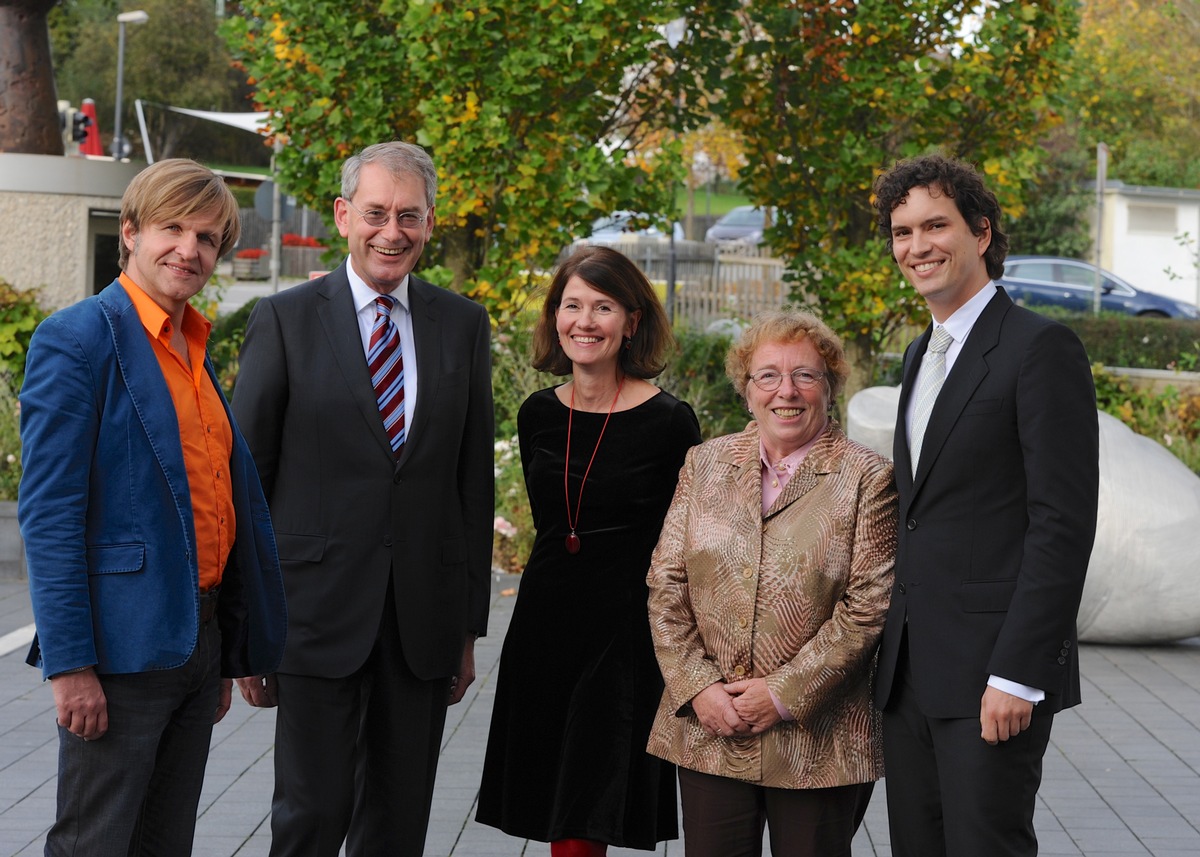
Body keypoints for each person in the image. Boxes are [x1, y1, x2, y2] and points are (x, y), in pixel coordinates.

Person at [18, 158, 288, 857]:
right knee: (95, 843)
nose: (189, 249)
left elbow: (214, 500)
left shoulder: (194, 347)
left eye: (207, 237)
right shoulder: (77, 339)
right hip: (117, 652)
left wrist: (223, 649)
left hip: (195, 642)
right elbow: (49, 516)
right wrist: (70, 665)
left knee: (164, 843)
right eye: (172, 228)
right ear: (130, 233)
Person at [231, 141, 494, 857]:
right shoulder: (284, 320)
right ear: (345, 215)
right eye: (376, 212)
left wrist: (467, 628)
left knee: (397, 822)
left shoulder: (463, 326)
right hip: (311, 616)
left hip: (420, 624)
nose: (392, 230)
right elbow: (246, 476)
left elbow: (472, 483)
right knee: (310, 815)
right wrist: (245, 620)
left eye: (409, 215)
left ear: (431, 223)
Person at [871, 153, 1100, 857]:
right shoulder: (920, 353)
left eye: (936, 225)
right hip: (909, 673)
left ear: (981, 231)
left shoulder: (1041, 348)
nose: (917, 246)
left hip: (992, 677)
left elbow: (1062, 524)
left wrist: (1019, 673)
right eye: (902, 231)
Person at [646, 309, 897, 857]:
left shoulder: (868, 476)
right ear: (746, 389)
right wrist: (698, 687)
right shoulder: (704, 463)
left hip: (819, 739)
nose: (787, 391)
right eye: (768, 375)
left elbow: (869, 605)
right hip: (712, 727)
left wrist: (781, 696)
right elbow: (666, 584)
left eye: (806, 375)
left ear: (829, 387)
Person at [476, 245, 701, 855]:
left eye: (602, 307)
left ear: (631, 321)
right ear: (555, 318)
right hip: (544, 627)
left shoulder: (670, 422)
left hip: (623, 631)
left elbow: (680, 545)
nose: (584, 321)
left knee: (589, 805)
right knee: (554, 803)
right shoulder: (537, 414)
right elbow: (555, 525)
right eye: (571, 305)